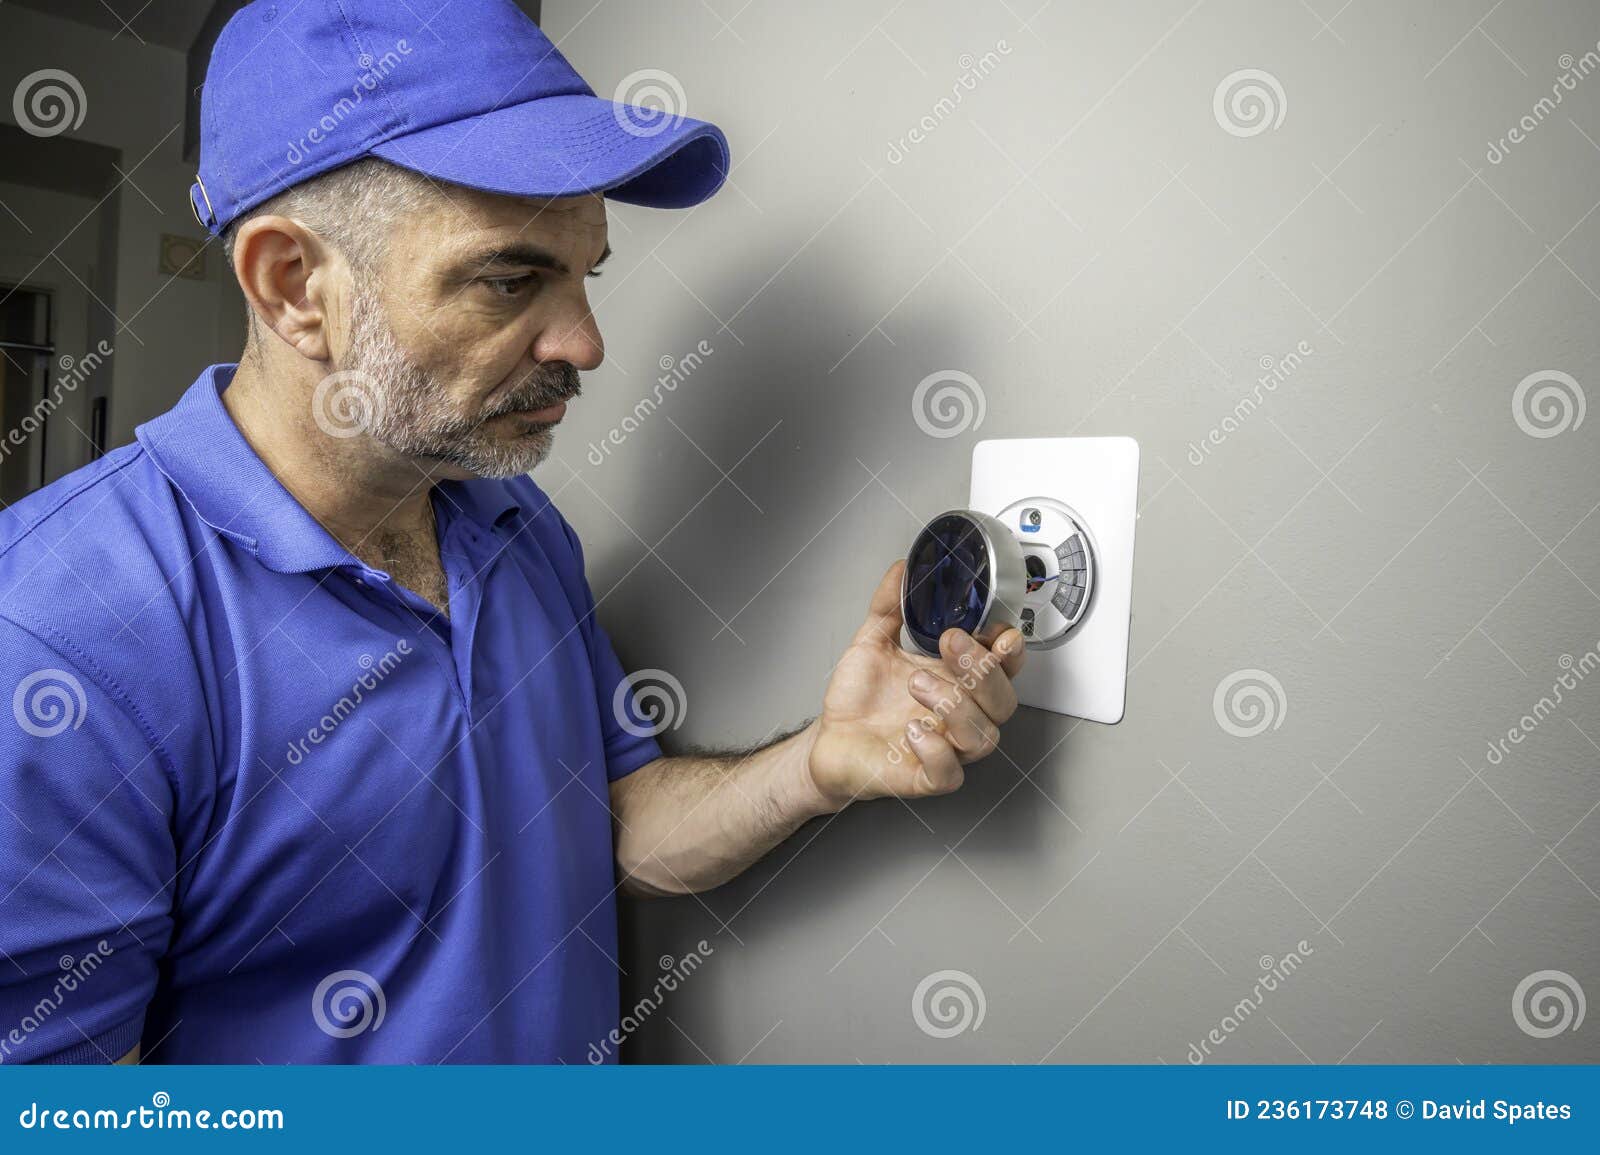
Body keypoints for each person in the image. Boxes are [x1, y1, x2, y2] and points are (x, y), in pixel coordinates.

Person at [0, 0, 1024, 1064]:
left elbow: (610, 824)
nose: (584, 343)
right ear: (294, 286)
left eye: (586, 273)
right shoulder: (61, 630)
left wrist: (820, 763)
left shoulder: (512, 520)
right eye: (509, 278)